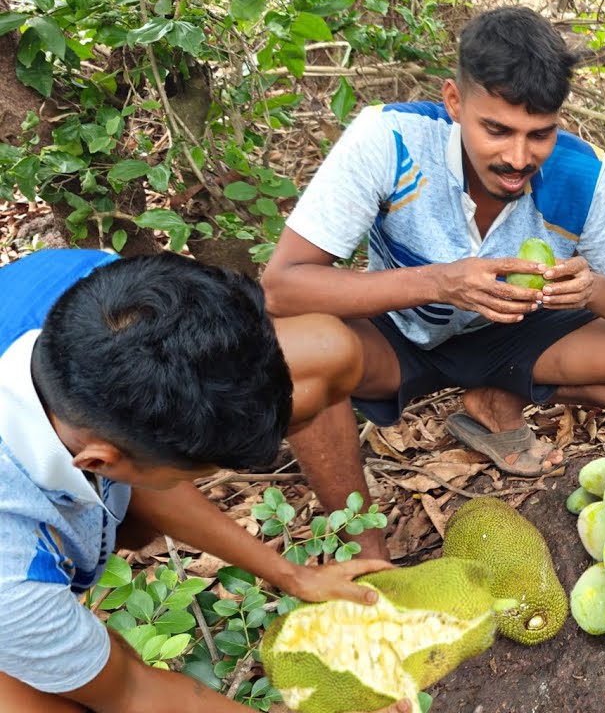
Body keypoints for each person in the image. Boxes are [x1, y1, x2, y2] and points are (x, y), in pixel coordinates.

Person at [261, 4, 605, 554]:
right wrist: (441, 283)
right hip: (398, 332)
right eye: (496, 129)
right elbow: (281, 286)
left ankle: (494, 395)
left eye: (539, 135)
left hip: (513, 333)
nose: (518, 157)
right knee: (291, 353)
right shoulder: (391, 139)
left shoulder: (580, 172)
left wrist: (596, 290)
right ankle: (367, 552)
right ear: (454, 101)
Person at [0, 249, 409, 713]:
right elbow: (132, 692)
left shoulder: (109, 290)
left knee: (325, 349)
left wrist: (293, 576)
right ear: (98, 462)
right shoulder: (9, 576)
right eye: (197, 472)